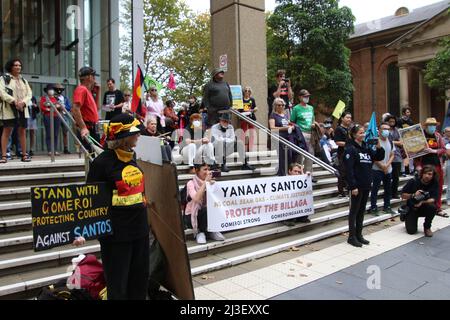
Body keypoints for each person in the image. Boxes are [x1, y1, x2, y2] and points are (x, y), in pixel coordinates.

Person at [86, 113, 149, 299]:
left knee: (139, 281)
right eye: (134, 133)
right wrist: (82, 230)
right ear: (122, 137)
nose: (138, 135)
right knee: (118, 285)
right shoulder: (101, 163)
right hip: (116, 236)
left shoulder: (132, 155)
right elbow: (91, 200)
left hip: (140, 230)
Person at [345, 124, 385, 247]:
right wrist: (353, 186)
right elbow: (349, 169)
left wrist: (379, 148)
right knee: (354, 211)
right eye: (360, 133)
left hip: (366, 184)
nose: (363, 135)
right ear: (354, 134)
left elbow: (378, 157)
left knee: (361, 211)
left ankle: (359, 234)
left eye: (363, 132)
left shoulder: (366, 148)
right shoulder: (350, 149)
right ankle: (351, 237)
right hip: (356, 186)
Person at [0, 58, 33, 163]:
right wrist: (14, 101)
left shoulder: (24, 80)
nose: (18, 67)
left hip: (23, 108)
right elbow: (2, 93)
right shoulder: (4, 79)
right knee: (7, 131)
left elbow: (29, 94)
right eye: (16, 65)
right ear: (11, 67)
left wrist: (23, 102)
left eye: (19, 65)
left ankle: (24, 155)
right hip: (9, 108)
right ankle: (4, 156)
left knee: (22, 131)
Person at [185, 162, 225, 244]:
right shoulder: (191, 183)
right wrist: (205, 183)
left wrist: (214, 186)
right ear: (197, 171)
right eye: (205, 169)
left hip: (206, 213)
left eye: (208, 169)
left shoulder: (210, 182)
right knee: (206, 210)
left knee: (214, 207)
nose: (207, 172)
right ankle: (200, 232)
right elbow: (196, 198)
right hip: (192, 215)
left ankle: (212, 230)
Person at [414, 118, 447, 217]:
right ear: (426, 126)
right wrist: (418, 166)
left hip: (437, 165)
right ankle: (421, 206)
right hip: (424, 165)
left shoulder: (438, 135)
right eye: (430, 125)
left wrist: (434, 151)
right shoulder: (419, 136)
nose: (432, 127)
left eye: (434, 125)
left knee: (439, 187)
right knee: (423, 187)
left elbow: (443, 150)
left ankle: (437, 207)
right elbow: (414, 153)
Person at [401, 165, 439, 237]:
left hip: (424, 206)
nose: (427, 176)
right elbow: (402, 195)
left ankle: (427, 227)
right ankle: (404, 214)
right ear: (422, 173)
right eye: (425, 173)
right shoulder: (413, 181)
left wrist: (422, 202)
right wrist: (413, 195)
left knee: (433, 207)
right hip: (412, 207)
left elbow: (434, 199)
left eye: (430, 174)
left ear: (433, 175)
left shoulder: (434, 183)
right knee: (411, 231)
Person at [290, 89, 317, 182]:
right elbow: (292, 121)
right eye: (305, 96)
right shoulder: (296, 108)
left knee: (310, 155)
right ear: (300, 97)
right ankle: (298, 174)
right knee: (300, 156)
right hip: (301, 134)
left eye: (308, 96)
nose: (307, 98)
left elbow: (313, 118)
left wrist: (314, 124)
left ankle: (309, 175)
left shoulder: (311, 108)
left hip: (311, 133)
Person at [368, 122, 395, 216]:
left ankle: (387, 206)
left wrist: (387, 165)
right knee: (375, 189)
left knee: (388, 189)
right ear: (379, 131)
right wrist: (382, 166)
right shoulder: (375, 141)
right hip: (376, 169)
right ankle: (373, 207)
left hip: (388, 169)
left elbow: (392, 155)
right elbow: (373, 156)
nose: (386, 131)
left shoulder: (390, 141)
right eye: (384, 129)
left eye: (388, 129)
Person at [71, 66, 100, 152]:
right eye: (93, 76)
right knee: (92, 156)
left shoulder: (87, 91)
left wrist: (97, 92)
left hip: (93, 128)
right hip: (88, 128)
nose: (94, 78)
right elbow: (75, 109)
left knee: (96, 156)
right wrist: (83, 128)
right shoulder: (81, 89)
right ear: (89, 77)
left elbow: (97, 109)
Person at [40, 84, 64, 156]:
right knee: (49, 133)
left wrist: (52, 107)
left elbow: (60, 106)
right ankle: (50, 150)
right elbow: (42, 107)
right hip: (48, 116)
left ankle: (55, 150)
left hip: (56, 116)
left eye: (52, 90)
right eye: (49, 90)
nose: (51, 91)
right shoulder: (44, 98)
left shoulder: (57, 98)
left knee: (55, 134)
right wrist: (52, 107)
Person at [384, 114, 403, 199]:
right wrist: (395, 142)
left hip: (397, 156)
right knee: (387, 177)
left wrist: (392, 142)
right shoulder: (384, 131)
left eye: (393, 121)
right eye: (390, 121)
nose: (392, 123)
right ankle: (387, 193)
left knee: (396, 177)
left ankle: (394, 193)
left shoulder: (397, 130)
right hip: (387, 156)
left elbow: (401, 143)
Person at [334, 112, 352, 198]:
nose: (349, 119)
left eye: (350, 118)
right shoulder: (338, 129)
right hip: (342, 153)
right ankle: (341, 191)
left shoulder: (349, 129)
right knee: (342, 172)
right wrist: (349, 144)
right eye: (347, 117)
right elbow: (337, 142)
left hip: (350, 152)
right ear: (342, 118)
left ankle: (349, 188)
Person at [55, 83, 72, 154]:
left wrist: (63, 107)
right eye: (58, 89)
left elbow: (69, 107)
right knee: (56, 132)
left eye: (60, 89)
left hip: (65, 116)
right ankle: (55, 148)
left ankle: (65, 148)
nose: (59, 91)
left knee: (65, 132)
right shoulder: (54, 98)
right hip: (57, 115)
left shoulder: (65, 98)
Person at [239, 86, 257, 152]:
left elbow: (255, 107)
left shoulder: (252, 99)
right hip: (243, 117)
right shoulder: (241, 100)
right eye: (246, 90)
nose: (247, 92)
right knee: (243, 133)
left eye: (248, 91)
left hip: (251, 117)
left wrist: (253, 110)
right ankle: (242, 148)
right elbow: (238, 109)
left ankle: (250, 148)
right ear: (243, 92)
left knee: (252, 133)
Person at [27, 89, 39, 157]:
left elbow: (38, 110)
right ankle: (25, 149)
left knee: (32, 133)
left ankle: (31, 149)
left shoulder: (33, 98)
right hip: (26, 117)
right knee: (25, 133)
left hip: (32, 117)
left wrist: (35, 106)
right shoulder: (24, 97)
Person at [443, 127, 450, 206]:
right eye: (448, 131)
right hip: (446, 161)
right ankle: (448, 199)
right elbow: (448, 153)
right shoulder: (444, 140)